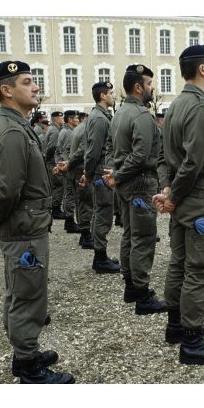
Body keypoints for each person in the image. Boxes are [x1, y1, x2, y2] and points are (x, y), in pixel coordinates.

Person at [0, 60, 74, 384]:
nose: (35, 87)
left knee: (22, 289)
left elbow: (6, 180)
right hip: (23, 226)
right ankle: (27, 364)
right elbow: (9, 188)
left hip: (25, 223)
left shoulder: (14, 123)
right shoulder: (13, 129)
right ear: (7, 90)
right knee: (28, 293)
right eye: (27, 82)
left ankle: (25, 351)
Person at [154, 45, 204, 366]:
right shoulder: (200, 108)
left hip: (183, 195)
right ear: (202, 69)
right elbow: (194, 162)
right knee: (200, 269)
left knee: (180, 262)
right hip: (198, 197)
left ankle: (175, 325)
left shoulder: (175, 106)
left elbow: (165, 158)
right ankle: (192, 340)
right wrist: (173, 194)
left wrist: (169, 189)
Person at [103, 64, 166, 315]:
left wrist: (114, 173)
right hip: (139, 184)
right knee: (143, 239)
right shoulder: (140, 115)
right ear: (138, 87)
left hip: (126, 184)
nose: (152, 88)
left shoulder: (119, 113)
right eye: (149, 84)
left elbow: (110, 147)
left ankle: (131, 286)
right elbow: (141, 156)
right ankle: (141, 294)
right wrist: (116, 175)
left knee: (130, 235)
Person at [83, 82, 120, 273]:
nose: (114, 96)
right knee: (103, 213)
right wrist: (88, 174)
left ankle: (101, 256)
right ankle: (100, 258)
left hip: (101, 172)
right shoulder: (99, 119)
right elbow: (93, 150)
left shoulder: (104, 116)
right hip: (100, 173)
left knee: (103, 213)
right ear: (103, 96)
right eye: (111, 93)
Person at [58, 112, 94, 249]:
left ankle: (83, 233)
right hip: (79, 170)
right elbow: (81, 151)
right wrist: (69, 164)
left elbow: (69, 149)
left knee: (80, 203)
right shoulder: (86, 129)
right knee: (85, 204)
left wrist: (68, 163)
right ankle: (86, 235)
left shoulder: (77, 128)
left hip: (74, 171)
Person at [55, 110, 81, 233]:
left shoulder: (65, 131)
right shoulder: (69, 133)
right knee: (70, 195)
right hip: (69, 168)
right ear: (70, 120)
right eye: (75, 118)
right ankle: (69, 221)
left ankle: (69, 221)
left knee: (68, 194)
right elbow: (65, 152)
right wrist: (66, 166)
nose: (77, 120)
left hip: (66, 167)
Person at [44, 111, 65, 219]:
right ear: (56, 119)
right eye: (61, 118)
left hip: (51, 161)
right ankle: (56, 209)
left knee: (55, 186)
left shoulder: (53, 129)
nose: (63, 120)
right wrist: (52, 162)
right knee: (58, 185)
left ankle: (55, 208)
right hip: (53, 162)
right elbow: (52, 148)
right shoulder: (55, 131)